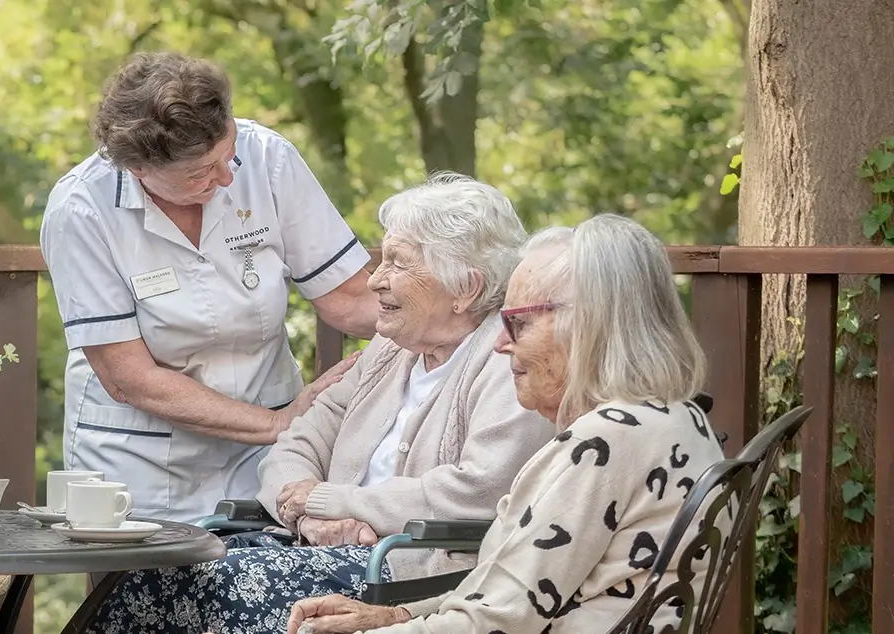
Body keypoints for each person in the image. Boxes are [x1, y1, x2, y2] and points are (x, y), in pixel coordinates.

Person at [87, 174, 554, 633]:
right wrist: (311, 515)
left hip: (415, 571)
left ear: (465, 288)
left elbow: (478, 489)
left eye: (398, 263)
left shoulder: (506, 360)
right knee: (147, 574)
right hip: (320, 547)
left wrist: (341, 502)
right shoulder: (390, 351)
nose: (376, 281)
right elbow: (296, 443)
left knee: (230, 586)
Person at [285, 214, 722, 633]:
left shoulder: (606, 441)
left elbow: (500, 621)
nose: (499, 343)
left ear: (585, 327)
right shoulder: (678, 420)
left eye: (519, 323)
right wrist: (396, 616)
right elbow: (505, 595)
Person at [40, 52, 381, 522]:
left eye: (228, 153)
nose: (226, 178)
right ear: (138, 169)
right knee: (142, 593)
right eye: (200, 173)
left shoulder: (268, 159)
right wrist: (278, 423)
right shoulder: (81, 209)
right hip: (141, 457)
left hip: (266, 443)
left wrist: (452, 325)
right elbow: (129, 377)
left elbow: (349, 298)